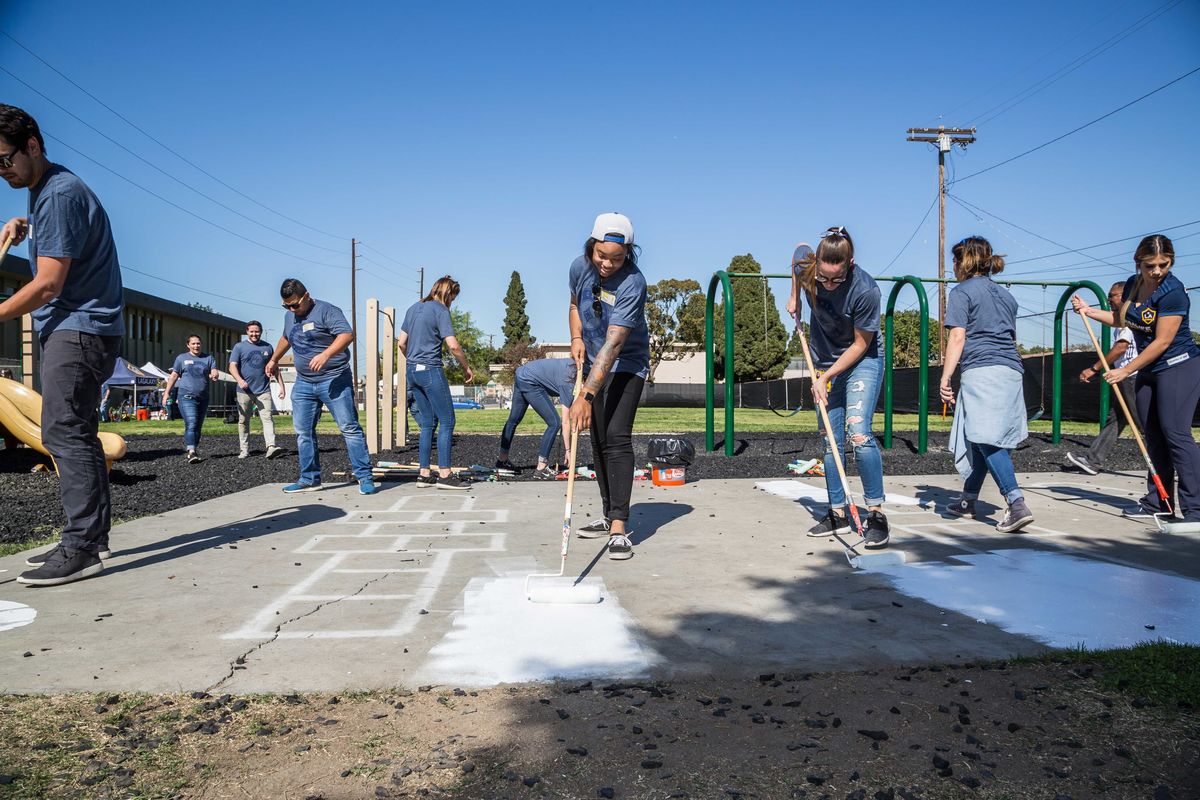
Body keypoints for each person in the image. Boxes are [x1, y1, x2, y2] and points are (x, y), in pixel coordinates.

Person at [0, 104, 123, 586]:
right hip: (83, 328)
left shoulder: (58, 194)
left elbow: (49, 284)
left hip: (77, 329)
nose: (1, 170)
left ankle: (82, 545)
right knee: (77, 433)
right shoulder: (48, 192)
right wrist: (24, 228)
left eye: (5, 159)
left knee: (62, 432)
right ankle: (90, 538)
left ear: (33, 145)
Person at [1073, 234, 1200, 524]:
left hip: (1178, 366)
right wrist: (1089, 311)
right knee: (1152, 437)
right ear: (1138, 263)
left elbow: (1162, 342)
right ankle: (1159, 502)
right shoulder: (1132, 285)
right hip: (1150, 370)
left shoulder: (1173, 292)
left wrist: (1125, 370)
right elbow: (1122, 320)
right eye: (1150, 265)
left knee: (1176, 435)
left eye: (1163, 264)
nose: (1157, 271)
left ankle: (1196, 509)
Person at [787, 226, 890, 548]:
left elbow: (860, 345)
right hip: (824, 360)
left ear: (851, 263)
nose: (829, 284)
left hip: (863, 360)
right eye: (824, 278)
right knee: (830, 441)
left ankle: (876, 514)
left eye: (837, 279)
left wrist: (825, 377)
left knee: (858, 433)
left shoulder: (866, 290)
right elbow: (796, 255)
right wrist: (794, 297)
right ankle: (837, 513)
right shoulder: (808, 267)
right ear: (817, 263)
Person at [568, 212, 650, 561]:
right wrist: (575, 337)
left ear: (628, 253)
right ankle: (607, 513)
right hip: (592, 363)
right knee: (598, 440)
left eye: (617, 258)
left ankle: (619, 526)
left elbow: (614, 345)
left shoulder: (634, 283)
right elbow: (574, 304)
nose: (607, 264)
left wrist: (586, 396)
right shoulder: (579, 267)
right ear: (592, 247)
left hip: (626, 363)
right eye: (602, 255)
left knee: (616, 437)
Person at [939, 236, 1034, 532]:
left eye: (954, 261)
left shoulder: (961, 292)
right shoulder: (1007, 296)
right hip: (1011, 370)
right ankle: (968, 500)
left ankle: (1016, 502)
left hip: (983, 370)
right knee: (980, 437)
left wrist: (945, 376)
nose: (952, 267)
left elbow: (957, 336)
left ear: (963, 262)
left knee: (985, 438)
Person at [265, 278, 376, 495]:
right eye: (286, 305)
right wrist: (274, 359)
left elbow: (347, 335)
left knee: (349, 428)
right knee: (303, 432)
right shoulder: (290, 315)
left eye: (295, 304)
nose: (291, 309)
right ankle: (309, 479)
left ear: (306, 296)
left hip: (334, 379)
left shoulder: (327, 311)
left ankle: (364, 477)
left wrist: (326, 354)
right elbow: (286, 338)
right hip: (304, 383)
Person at [399, 276, 473, 490]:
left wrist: (414, 360)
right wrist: (466, 367)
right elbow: (453, 346)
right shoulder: (441, 310)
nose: (453, 301)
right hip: (431, 370)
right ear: (448, 293)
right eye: (453, 297)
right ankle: (445, 474)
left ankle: (423, 474)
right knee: (447, 420)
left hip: (412, 372)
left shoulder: (413, 308)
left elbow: (401, 343)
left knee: (428, 423)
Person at [1064, 281, 1139, 476]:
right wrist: (1085, 309)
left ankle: (1168, 462)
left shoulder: (1132, 317)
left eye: (1112, 295)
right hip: (1123, 377)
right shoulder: (1119, 319)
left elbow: (1121, 347)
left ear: (1123, 297)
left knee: (1143, 422)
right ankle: (1092, 460)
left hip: (1133, 377)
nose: (1108, 300)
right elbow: (1108, 319)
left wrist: (1093, 368)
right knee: (1115, 419)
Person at [496, 356, 577, 479]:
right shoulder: (568, 381)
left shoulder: (569, 364)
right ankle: (541, 467)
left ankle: (502, 461)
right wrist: (568, 451)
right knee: (554, 422)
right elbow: (565, 422)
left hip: (521, 374)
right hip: (530, 380)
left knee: (513, 420)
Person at [229, 319, 285, 459]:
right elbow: (232, 366)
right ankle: (244, 450)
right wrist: (240, 380)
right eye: (252, 331)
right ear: (247, 332)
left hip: (263, 390)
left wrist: (281, 386)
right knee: (243, 420)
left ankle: (271, 447)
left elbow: (275, 368)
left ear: (261, 332)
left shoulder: (268, 347)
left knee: (267, 418)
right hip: (244, 391)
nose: (254, 334)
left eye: (257, 331)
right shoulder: (239, 347)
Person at [163, 334, 218, 463]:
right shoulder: (181, 359)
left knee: (197, 426)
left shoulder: (208, 358)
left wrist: (215, 374)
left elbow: (214, 370)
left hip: (203, 398)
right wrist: (166, 393)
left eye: (198, 343)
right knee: (192, 423)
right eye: (193, 343)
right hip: (186, 397)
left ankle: (193, 448)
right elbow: (173, 376)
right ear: (188, 345)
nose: (196, 346)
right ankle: (191, 452)